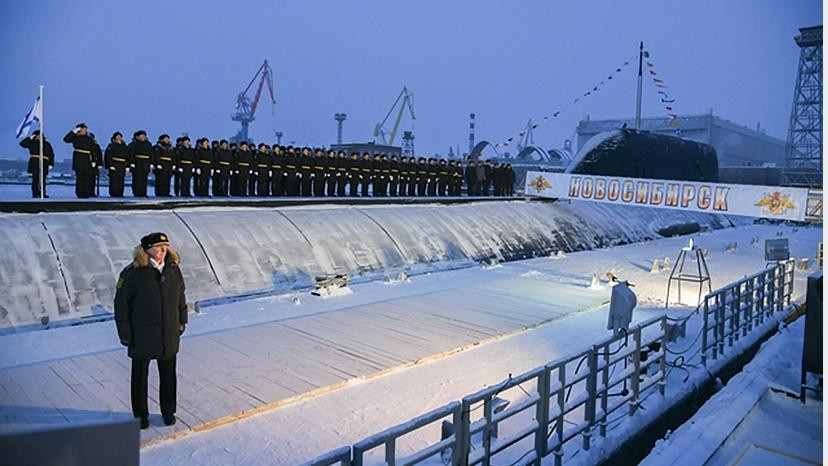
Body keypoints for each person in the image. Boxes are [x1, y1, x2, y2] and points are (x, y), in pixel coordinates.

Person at [115, 232, 187, 430]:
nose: (162, 251)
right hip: (141, 336)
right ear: (146, 249)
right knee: (139, 377)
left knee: (168, 376)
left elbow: (181, 297)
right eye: (158, 247)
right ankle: (140, 415)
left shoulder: (173, 270)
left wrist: (182, 322)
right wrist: (126, 335)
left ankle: (168, 411)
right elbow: (121, 306)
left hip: (168, 334)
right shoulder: (132, 274)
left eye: (165, 247)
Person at [63, 123, 96, 198]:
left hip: (87, 158)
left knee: (87, 176)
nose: (85, 131)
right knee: (80, 177)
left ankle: (86, 193)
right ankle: (79, 193)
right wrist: (74, 131)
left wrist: (93, 160)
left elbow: (93, 149)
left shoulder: (89, 138)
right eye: (83, 129)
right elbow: (66, 139)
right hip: (78, 158)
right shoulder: (75, 137)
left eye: (85, 129)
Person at [19, 130, 55, 198]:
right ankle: (35, 194)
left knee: (42, 180)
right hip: (35, 162)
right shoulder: (31, 143)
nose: (39, 137)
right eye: (38, 135)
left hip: (44, 162)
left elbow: (51, 154)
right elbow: (22, 144)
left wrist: (51, 164)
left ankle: (42, 193)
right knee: (35, 179)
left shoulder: (47, 144)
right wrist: (30, 138)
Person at [105, 132, 129, 197]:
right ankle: (113, 193)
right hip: (114, 163)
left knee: (121, 179)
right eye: (117, 136)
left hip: (122, 164)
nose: (119, 138)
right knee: (114, 180)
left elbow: (127, 156)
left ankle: (120, 193)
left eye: (120, 136)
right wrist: (110, 165)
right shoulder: (111, 145)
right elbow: (108, 156)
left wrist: (127, 165)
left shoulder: (124, 146)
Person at [129, 130, 153, 197]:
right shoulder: (134, 144)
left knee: (144, 179)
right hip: (137, 162)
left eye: (144, 136)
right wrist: (132, 162)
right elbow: (130, 154)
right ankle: (137, 192)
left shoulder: (148, 144)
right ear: (137, 137)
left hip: (146, 163)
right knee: (137, 179)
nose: (143, 137)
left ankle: (143, 192)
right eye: (141, 136)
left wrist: (151, 163)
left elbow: (152, 154)